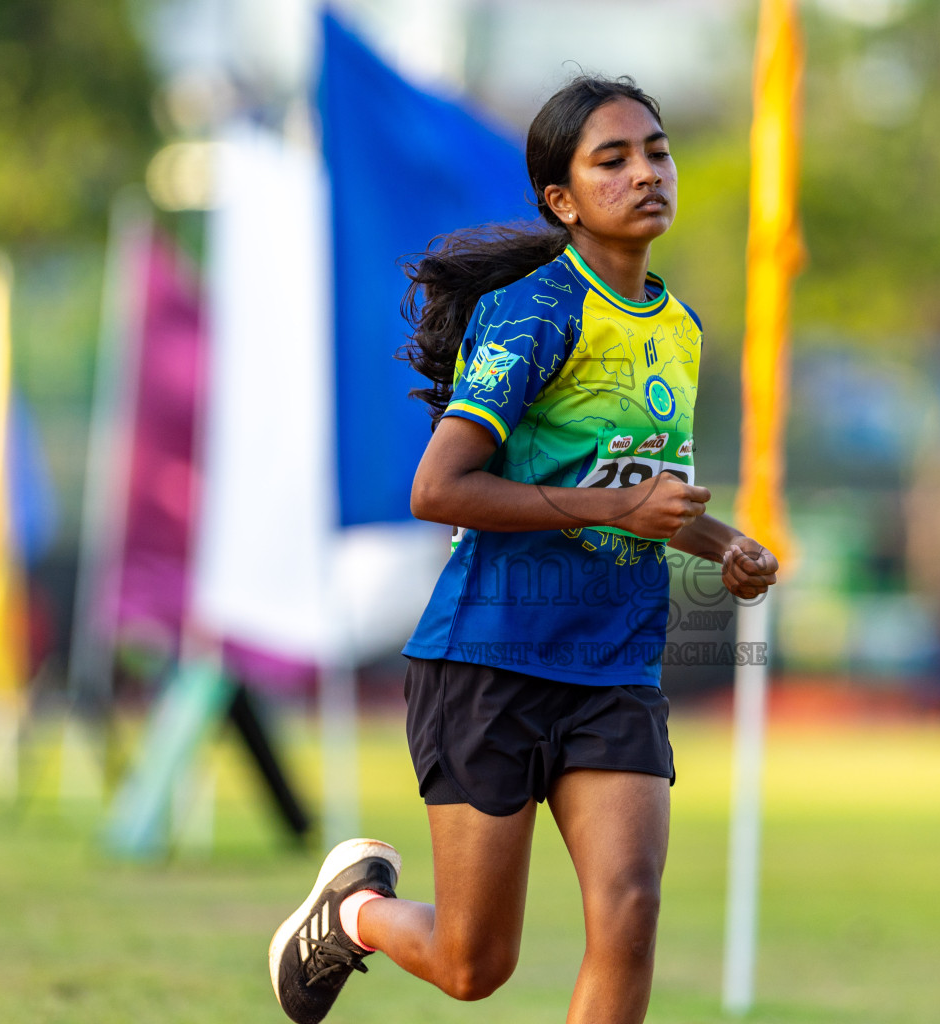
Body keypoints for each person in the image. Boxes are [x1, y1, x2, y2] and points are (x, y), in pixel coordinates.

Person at [269, 74, 780, 1024]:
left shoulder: (681, 329)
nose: (646, 173)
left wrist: (723, 545)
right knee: (474, 964)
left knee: (630, 913)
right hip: (487, 660)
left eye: (657, 151)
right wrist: (619, 509)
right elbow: (440, 489)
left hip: (616, 665)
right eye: (612, 160)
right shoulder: (535, 313)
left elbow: (639, 495)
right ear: (563, 198)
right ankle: (357, 913)